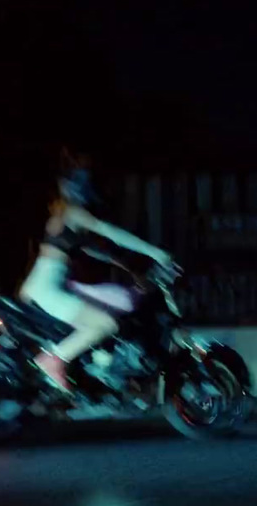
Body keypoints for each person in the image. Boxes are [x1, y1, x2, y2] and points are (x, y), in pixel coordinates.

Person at [17, 151, 174, 391]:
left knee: (106, 310)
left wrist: (126, 266)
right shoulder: (72, 213)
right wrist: (155, 252)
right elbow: (112, 234)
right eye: (83, 180)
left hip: (44, 285)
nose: (88, 186)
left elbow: (94, 250)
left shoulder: (66, 220)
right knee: (106, 324)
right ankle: (53, 360)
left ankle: (96, 370)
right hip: (47, 289)